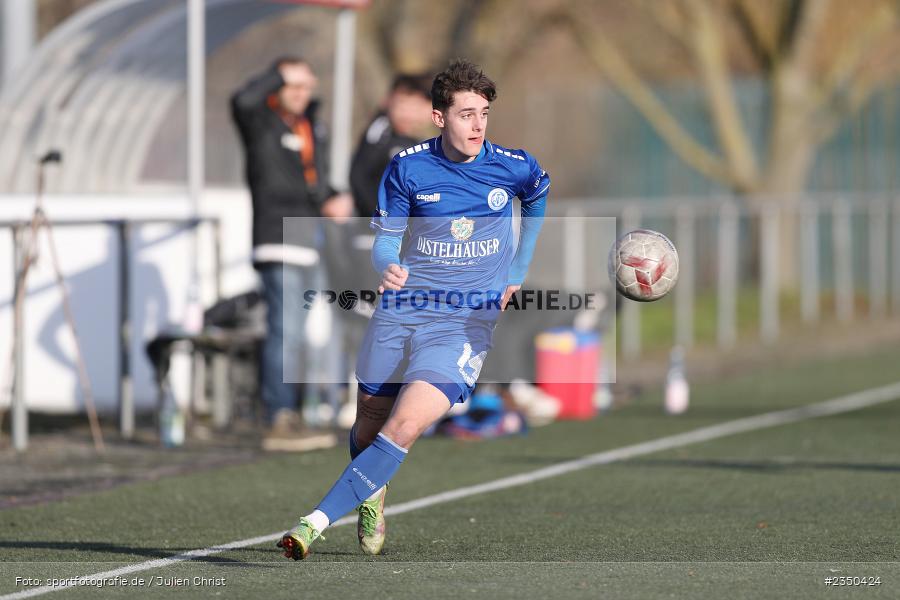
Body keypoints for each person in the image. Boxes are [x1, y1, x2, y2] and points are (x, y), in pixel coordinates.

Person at [277, 59, 550, 560]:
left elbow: (537, 196)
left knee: (404, 424)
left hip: (466, 323)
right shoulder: (407, 168)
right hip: (402, 312)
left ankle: (311, 524)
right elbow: (387, 241)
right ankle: (372, 496)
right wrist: (388, 267)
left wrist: (517, 270)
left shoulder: (513, 166)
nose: (478, 125)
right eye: (466, 114)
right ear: (440, 117)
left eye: (484, 113)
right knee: (368, 422)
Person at [231, 57, 352, 451]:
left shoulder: (311, 125)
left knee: (301, 336)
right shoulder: (261, 121)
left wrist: (332, 197)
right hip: (275, 237)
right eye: (291, 86)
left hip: (308, 241)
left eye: (305, 86)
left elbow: (311, 180)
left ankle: (294, 413)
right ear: (277, 86)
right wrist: (279, 71)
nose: (300, 94)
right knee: (286, 333)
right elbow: (242, 99)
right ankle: (278, 417)